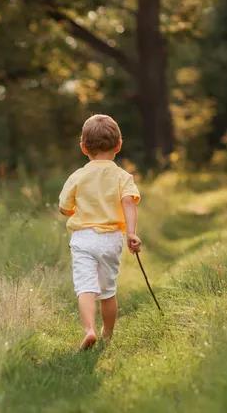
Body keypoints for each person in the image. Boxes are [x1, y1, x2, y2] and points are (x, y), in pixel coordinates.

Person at [58, 114, 142, 350]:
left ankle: (89, 330)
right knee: (107, 291)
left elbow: (65, 208)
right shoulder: (122, 177)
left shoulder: (77, 176)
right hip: (110, 239)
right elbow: (129, 203)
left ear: (84, 148)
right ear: (119, 145)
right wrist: (131, 233)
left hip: (84, 238)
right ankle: (108, 333)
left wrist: (74, 209)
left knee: (85, 287)